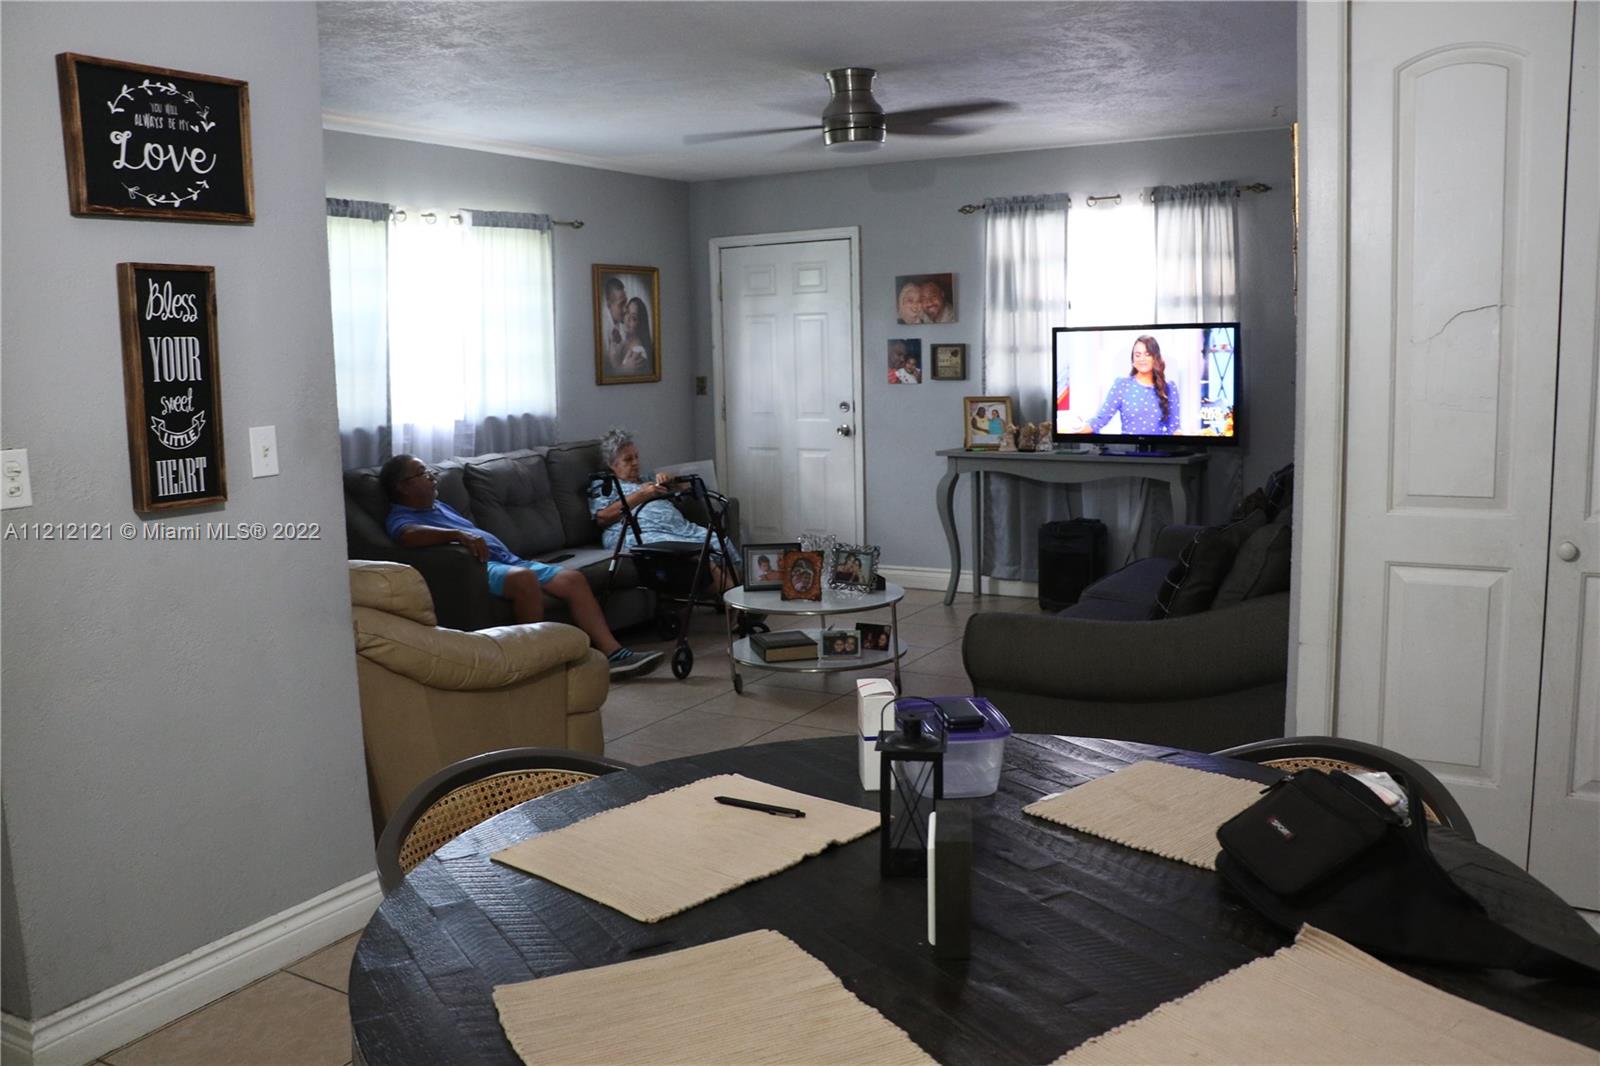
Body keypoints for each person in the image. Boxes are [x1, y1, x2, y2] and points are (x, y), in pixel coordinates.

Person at [380, 454, 661, 678]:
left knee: (572, 579)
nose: (432, 476)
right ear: (403, 486)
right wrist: (458, 534)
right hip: (481, 567)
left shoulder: (437, 505)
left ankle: (613, 654)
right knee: (524, 578)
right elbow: (407, 535)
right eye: (423, 473)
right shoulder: (401, 516)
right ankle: (535, 662)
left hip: (508, 560)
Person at [589, 428, 740, 592]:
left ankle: (736, 596)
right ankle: (732, 601)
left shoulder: (647, 478)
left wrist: (671, 481)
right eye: (628, 459)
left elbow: (687, 489)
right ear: (612, 465)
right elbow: (602, 518)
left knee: (720, 542)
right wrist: (641, 495)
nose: (635, 463)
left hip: (680, 529)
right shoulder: (605, 485)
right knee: (696, 554)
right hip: (638, 533)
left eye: (636, 457)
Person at [1075, 334, 1179, 435]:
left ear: (1155, 358)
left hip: (1159, 446)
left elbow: (1174, 428)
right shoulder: (1122, 385)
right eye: (1137, 355)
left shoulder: (1169, 387)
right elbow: (1100, 420)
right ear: (1133, 360)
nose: (1142, 359)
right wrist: (1076, 430)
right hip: (1128, 446)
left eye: (1147, 354)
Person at [615, 296, 653, 376]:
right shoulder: (622, 342)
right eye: (627, 312)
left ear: (640, 324)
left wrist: (623, 369)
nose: (627, 319)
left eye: (634, 318)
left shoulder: (638, 352)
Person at [600, 276, 629, 372]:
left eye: (626, 302)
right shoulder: (601, 330)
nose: (625, 309)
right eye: (621, 304)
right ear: (609, 305)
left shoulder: (624, 325)